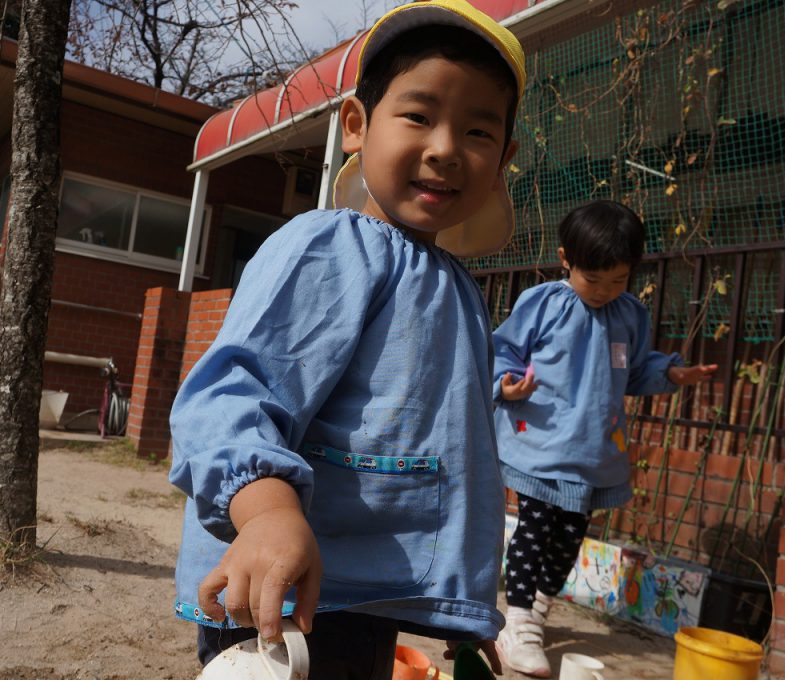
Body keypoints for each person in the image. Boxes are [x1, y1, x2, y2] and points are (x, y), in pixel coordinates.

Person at [168, 1, 525, 677]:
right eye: (418, 115)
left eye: (479, 131)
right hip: (285, 593)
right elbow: (231, 395)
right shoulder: (330, 248)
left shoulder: (457, 288)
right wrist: (267, 514)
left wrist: (460, 606)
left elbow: (460, 455)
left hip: (373, 593)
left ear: (503, 157)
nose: (446, 149)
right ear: (357, 125)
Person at [491, 200, 717, 678]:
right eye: (592, 279)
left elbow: (636, 371)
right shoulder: (543, 303)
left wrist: (672, 373)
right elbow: (504, 349)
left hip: (593, 451)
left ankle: (539, 610)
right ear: (565, 260)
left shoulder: (630, 314)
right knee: (534, 527)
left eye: (618, 280)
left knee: (570, 536)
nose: (604, 291)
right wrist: (505, 385)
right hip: (541, 443)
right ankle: (517, 620)